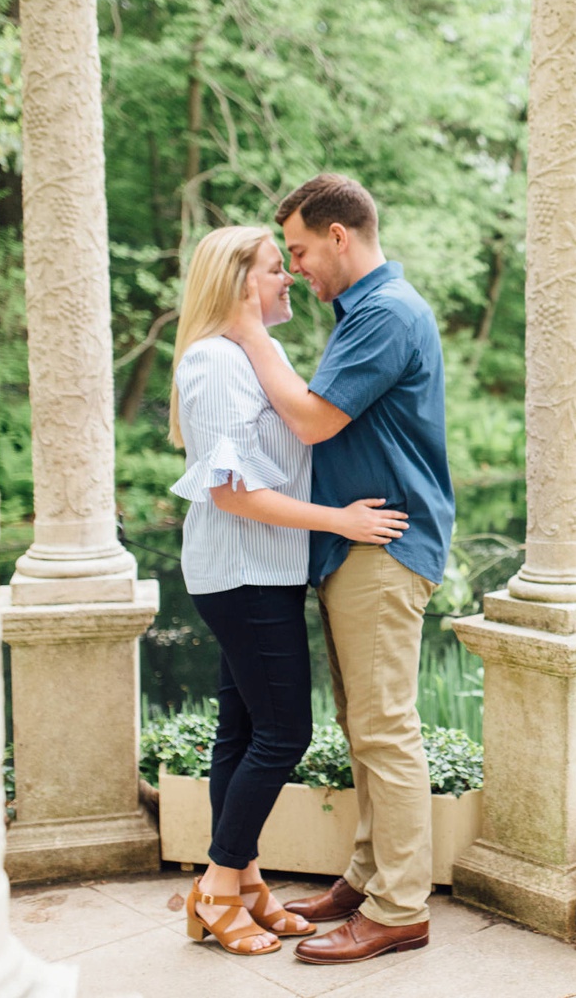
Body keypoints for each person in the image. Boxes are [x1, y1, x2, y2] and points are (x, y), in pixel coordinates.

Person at [225, 174, 455, 965]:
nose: (295, 269)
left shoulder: (385, 313)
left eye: (298, 250)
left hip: (382, 545)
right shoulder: (363, 312)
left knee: (385, 728)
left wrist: (249, 328)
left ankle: (399, 907)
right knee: (366, 724)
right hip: (356, 543)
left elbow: (316, 419)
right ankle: (366, 875)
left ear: (340, 236)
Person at [169, 225, 409, 956]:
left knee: (241, 733)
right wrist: (339, 520)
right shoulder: (213, 362)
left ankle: (245, 885)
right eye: (276, 268)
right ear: (239, 282)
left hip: (263, 570)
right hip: (241, 571)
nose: (289, 278)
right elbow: (234, 494)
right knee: (284, 733)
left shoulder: (246, 355)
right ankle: (214, 888)